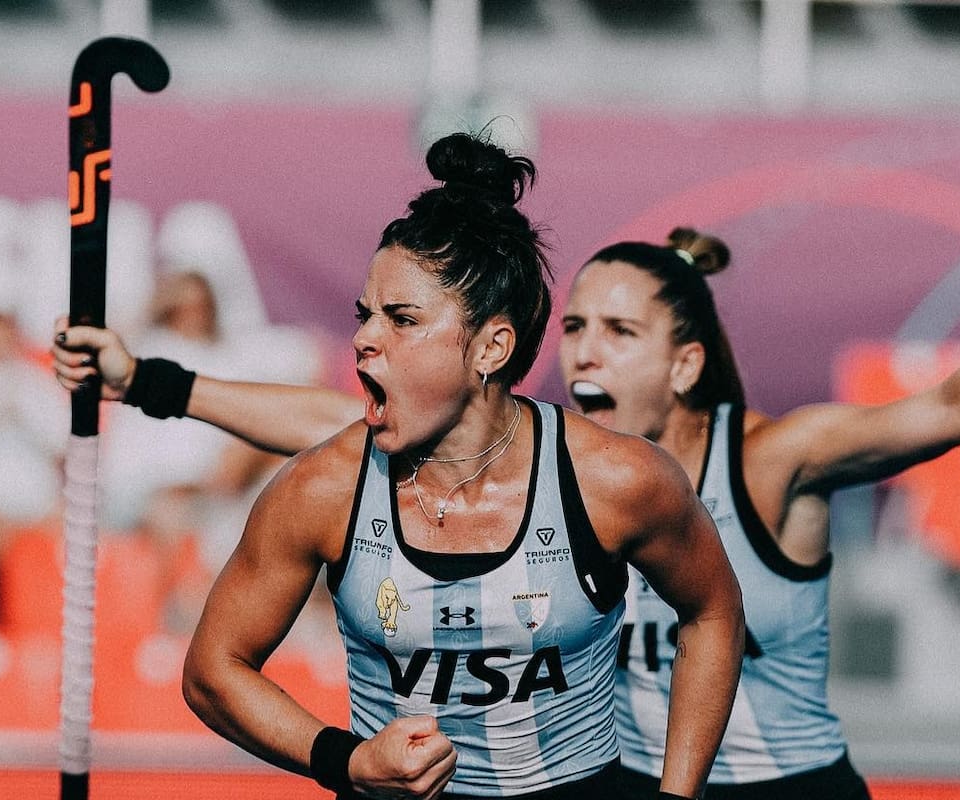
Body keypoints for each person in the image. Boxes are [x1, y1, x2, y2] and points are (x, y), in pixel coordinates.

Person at [55, 228, 960, 795]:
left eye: (615, 332)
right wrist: (149, 378)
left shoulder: (766, 460)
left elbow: (952, 407)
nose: (580, 348)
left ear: (682, 362)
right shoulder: (528, 459)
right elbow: (328, 422)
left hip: (779, 791)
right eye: (573, 324)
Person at [57, 135, 744, 800]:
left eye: (402, 319)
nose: (362, 338)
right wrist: (347, 760)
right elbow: (212, 672)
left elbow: (713, 611)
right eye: (365, 315)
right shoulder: (325, 487)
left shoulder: (617, 480)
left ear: (491, 347)